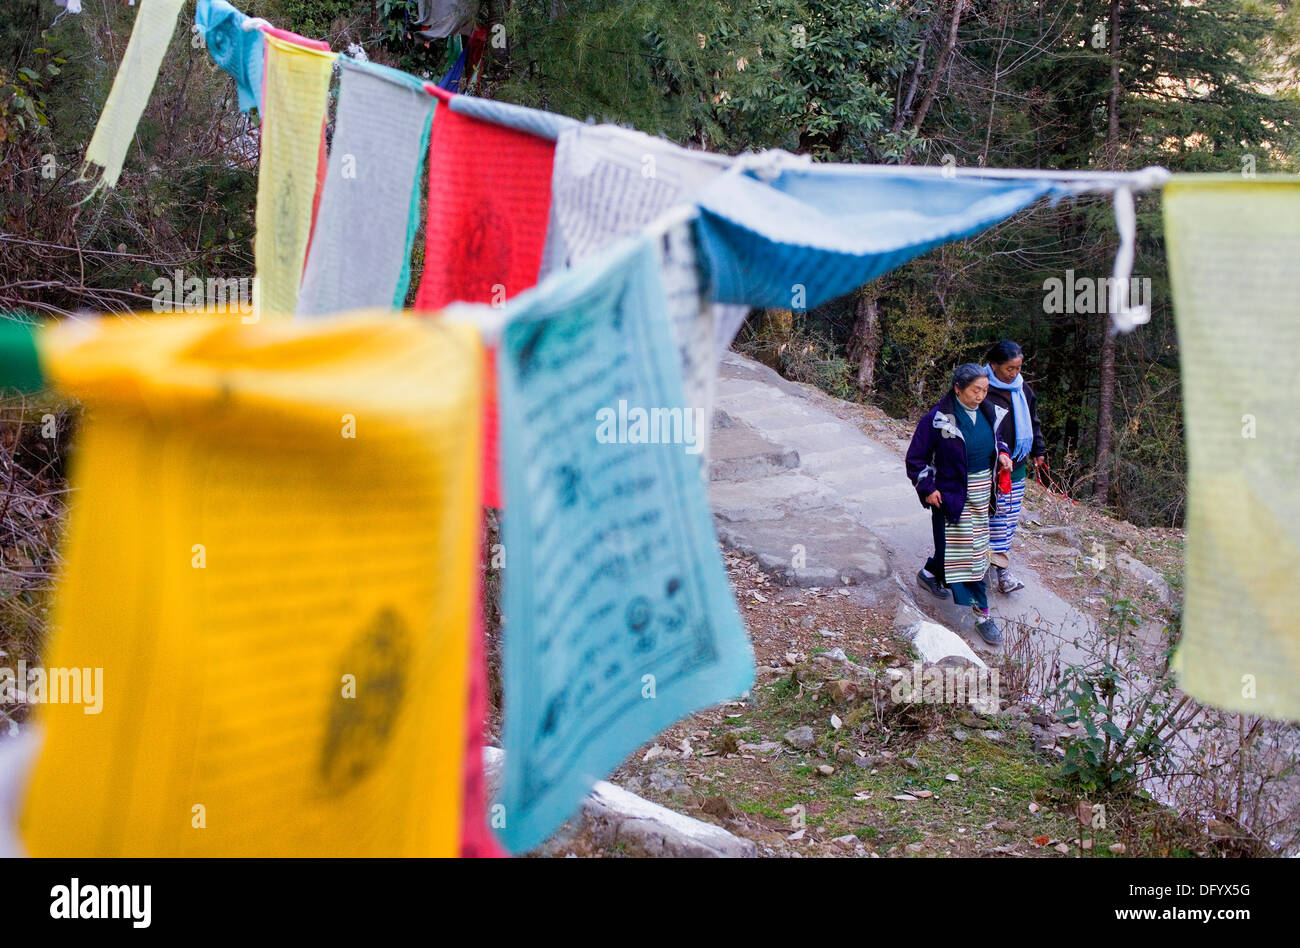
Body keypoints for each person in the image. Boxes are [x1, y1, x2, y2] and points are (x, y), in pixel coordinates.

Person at [906, 364, 1013, 646]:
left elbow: (997, 440)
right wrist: (928, 489)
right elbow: (915, 460)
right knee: (969, 556)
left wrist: (1002, 454)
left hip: (981, 496)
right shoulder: (939, 420)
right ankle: (983, 616)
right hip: (951, 497)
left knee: (962, 550)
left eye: (985, 390)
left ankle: (929, 573)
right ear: (957, 388)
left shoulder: (989, 413)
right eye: (975, 390)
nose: (981, 396)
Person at [982, 340, 1048, 594]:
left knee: (1008, 517)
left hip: (1016, 464)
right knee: (992, 516)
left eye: (1018, 368)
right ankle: (988, 568)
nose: (1014, 373)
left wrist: (1038, 450)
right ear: (993, 365)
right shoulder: (981, 388)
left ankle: (1001, 569)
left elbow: (1033, 420)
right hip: (989, 464)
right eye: (1009, 368)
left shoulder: (1022, 390)